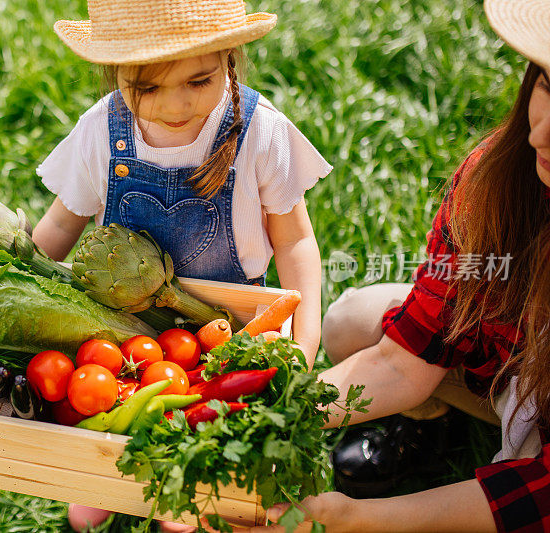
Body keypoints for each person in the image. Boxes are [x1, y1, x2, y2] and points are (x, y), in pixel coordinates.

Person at [204, 0, 550, 530]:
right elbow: (403, 357)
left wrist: (362, 519)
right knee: (349, 324)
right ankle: (436, 426)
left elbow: (539, 497)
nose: (540, 133)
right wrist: (273, 413)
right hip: (517, 372)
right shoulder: (499, 183)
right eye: (546, 84)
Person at [30, 1, 332, 530]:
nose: (175, 105)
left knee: (219, 459)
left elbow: (296, 242)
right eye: (147, 87)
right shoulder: (102, 131)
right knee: (113, 441)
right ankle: (120, 476)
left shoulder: (259, 131)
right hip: (128, 333)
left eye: (200, 79)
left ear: (229, 60)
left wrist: (305, 340)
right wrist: (25, 289)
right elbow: (60, 226)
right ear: (116, 74)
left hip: (233, 330)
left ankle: (188, 496)